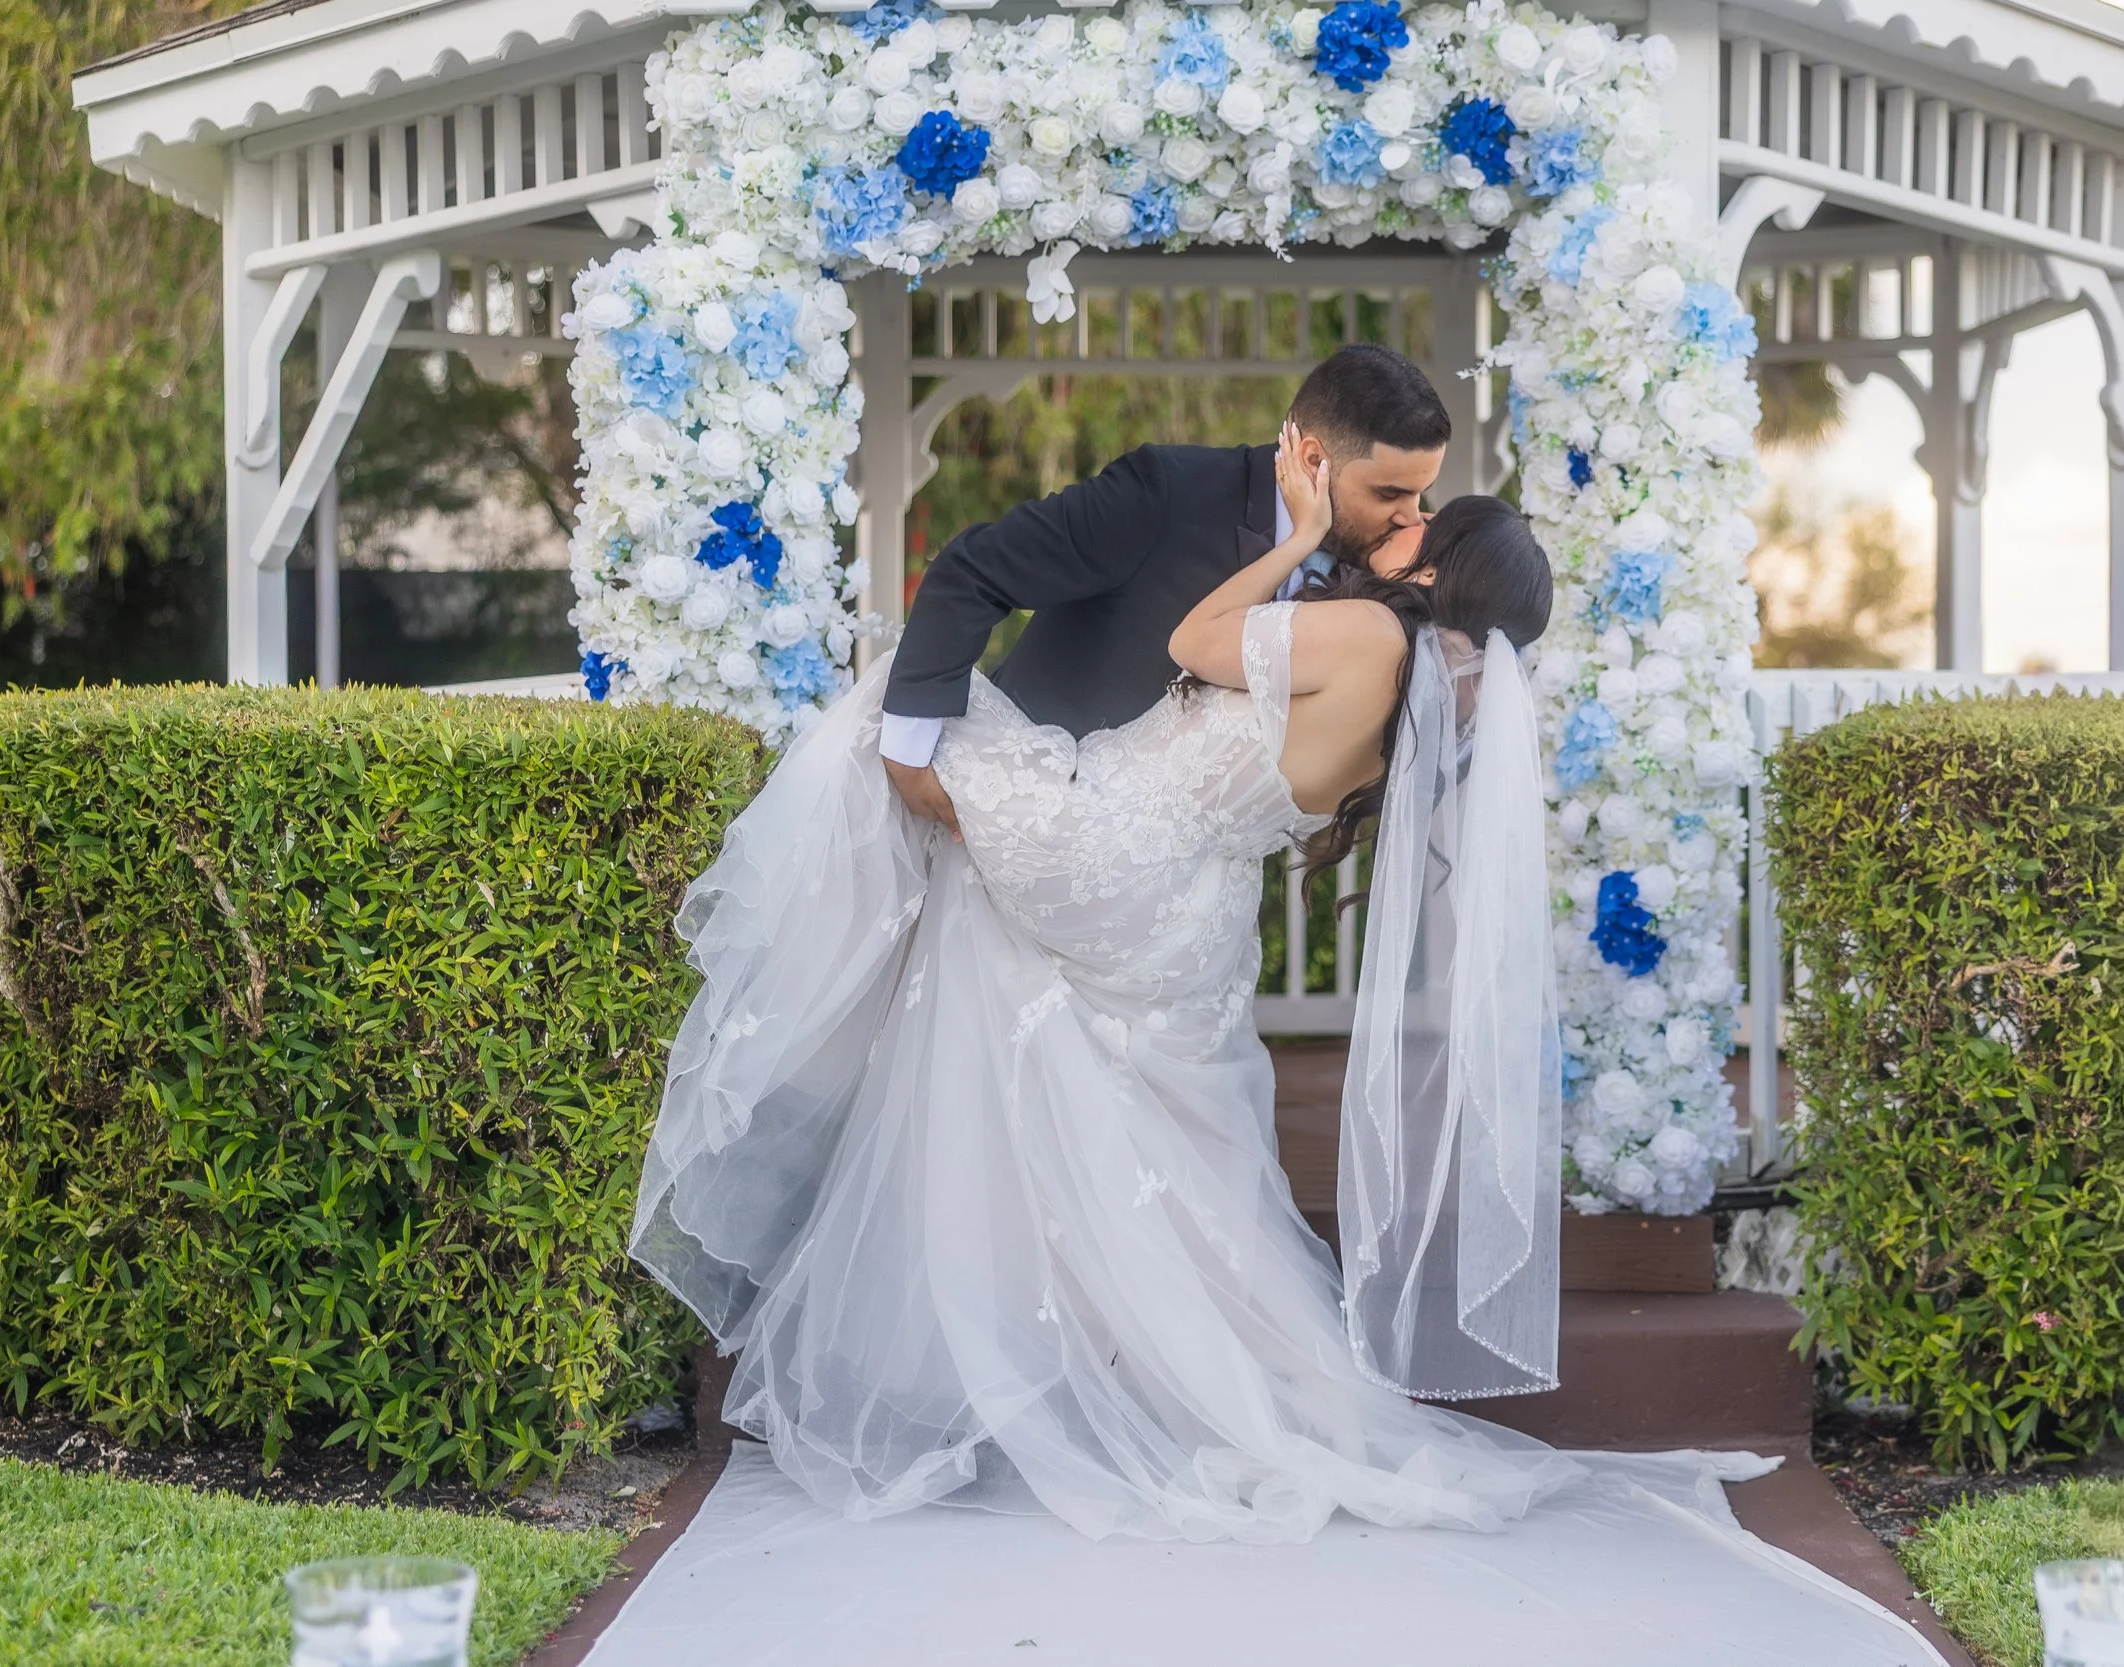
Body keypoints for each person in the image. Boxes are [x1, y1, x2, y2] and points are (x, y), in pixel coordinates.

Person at [628, 412, 1580, 1542]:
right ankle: (1075, 1360)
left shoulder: (1370, 639)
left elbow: (1194, 638)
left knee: (896, 707)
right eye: (1405, 501)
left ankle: (766, 1048)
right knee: (1116, 1128)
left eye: (1428, 520)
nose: (1407, 520)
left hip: (1112, 848)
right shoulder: (1415, 697)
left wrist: (1294, 540)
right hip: (1190, 911)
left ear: (1437, 569)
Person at [874, 342, 1454, 840]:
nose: (1411, 517)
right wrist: (907, 747)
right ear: (1313, 460)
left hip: (1175, 911)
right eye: (1390, 494)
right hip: (1026, 835)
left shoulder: (1376, 581)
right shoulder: (1167, 495)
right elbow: (975, 570)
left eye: (1420, 494)